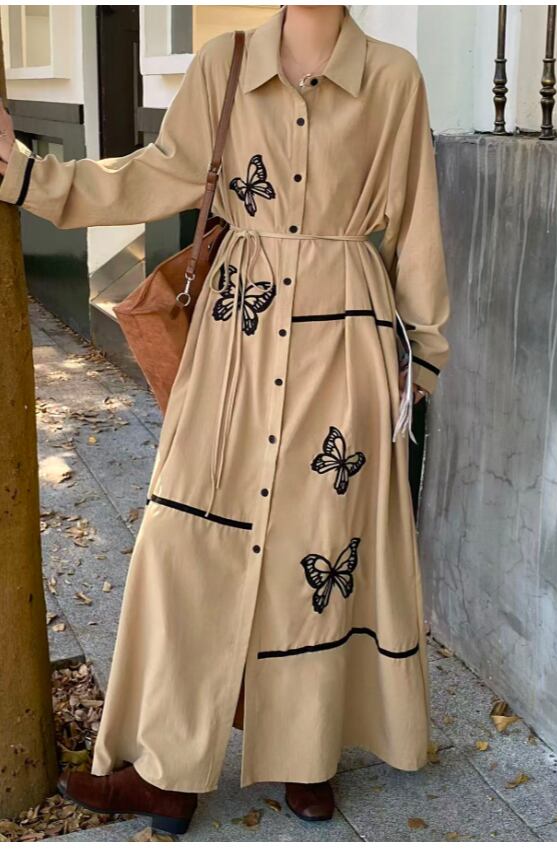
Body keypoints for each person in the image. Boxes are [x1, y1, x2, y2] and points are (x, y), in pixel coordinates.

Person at [0, 4, 450, 835]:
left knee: (316, 543)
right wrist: (33, 177)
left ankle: (306, 755)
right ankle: (165, 770)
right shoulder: (224, 63)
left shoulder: (394, 77)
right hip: (237, 338)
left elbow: (415, 223)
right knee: (183, 536)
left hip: (343, 348)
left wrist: (421, 354)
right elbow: (156, 173)